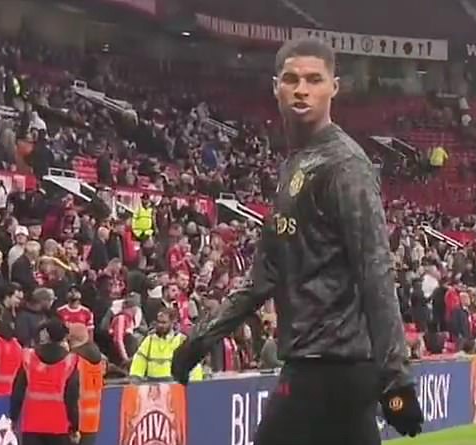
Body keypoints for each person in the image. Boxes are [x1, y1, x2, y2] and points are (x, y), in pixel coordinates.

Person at [171, 38, 423, 445]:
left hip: (331, 368)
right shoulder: (295, 165)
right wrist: (202, 338)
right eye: (291, 79)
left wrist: (396, 379)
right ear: (275, 87)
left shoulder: (346, 165)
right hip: (316, 366)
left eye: (313, 79)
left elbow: (375, 268)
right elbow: (264, 274)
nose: (301, 89)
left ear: (334, 87)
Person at [10, 319, 80, 445]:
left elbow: (18, 391)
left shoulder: (29, 357)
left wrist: (13, 418)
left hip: (32, 424)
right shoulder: (70, 362)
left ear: (45, 334)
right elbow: (72, 398)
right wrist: (75, 426)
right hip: (59, 424)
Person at [130, 309, 202, 382]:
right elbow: (139, 359)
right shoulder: (150, 340)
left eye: (164, 322)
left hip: (174, 385)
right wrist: (135, 377)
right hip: (152, 384)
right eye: (158, 322)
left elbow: (193, 364)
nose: (160, 325)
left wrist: (195, 383)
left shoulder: (181, 340)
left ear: (172, 323)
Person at [69, 323, 104, 445]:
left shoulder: (74, 360)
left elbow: (71, 393)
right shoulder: (99, 359)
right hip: (92, 421)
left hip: (75, 421)